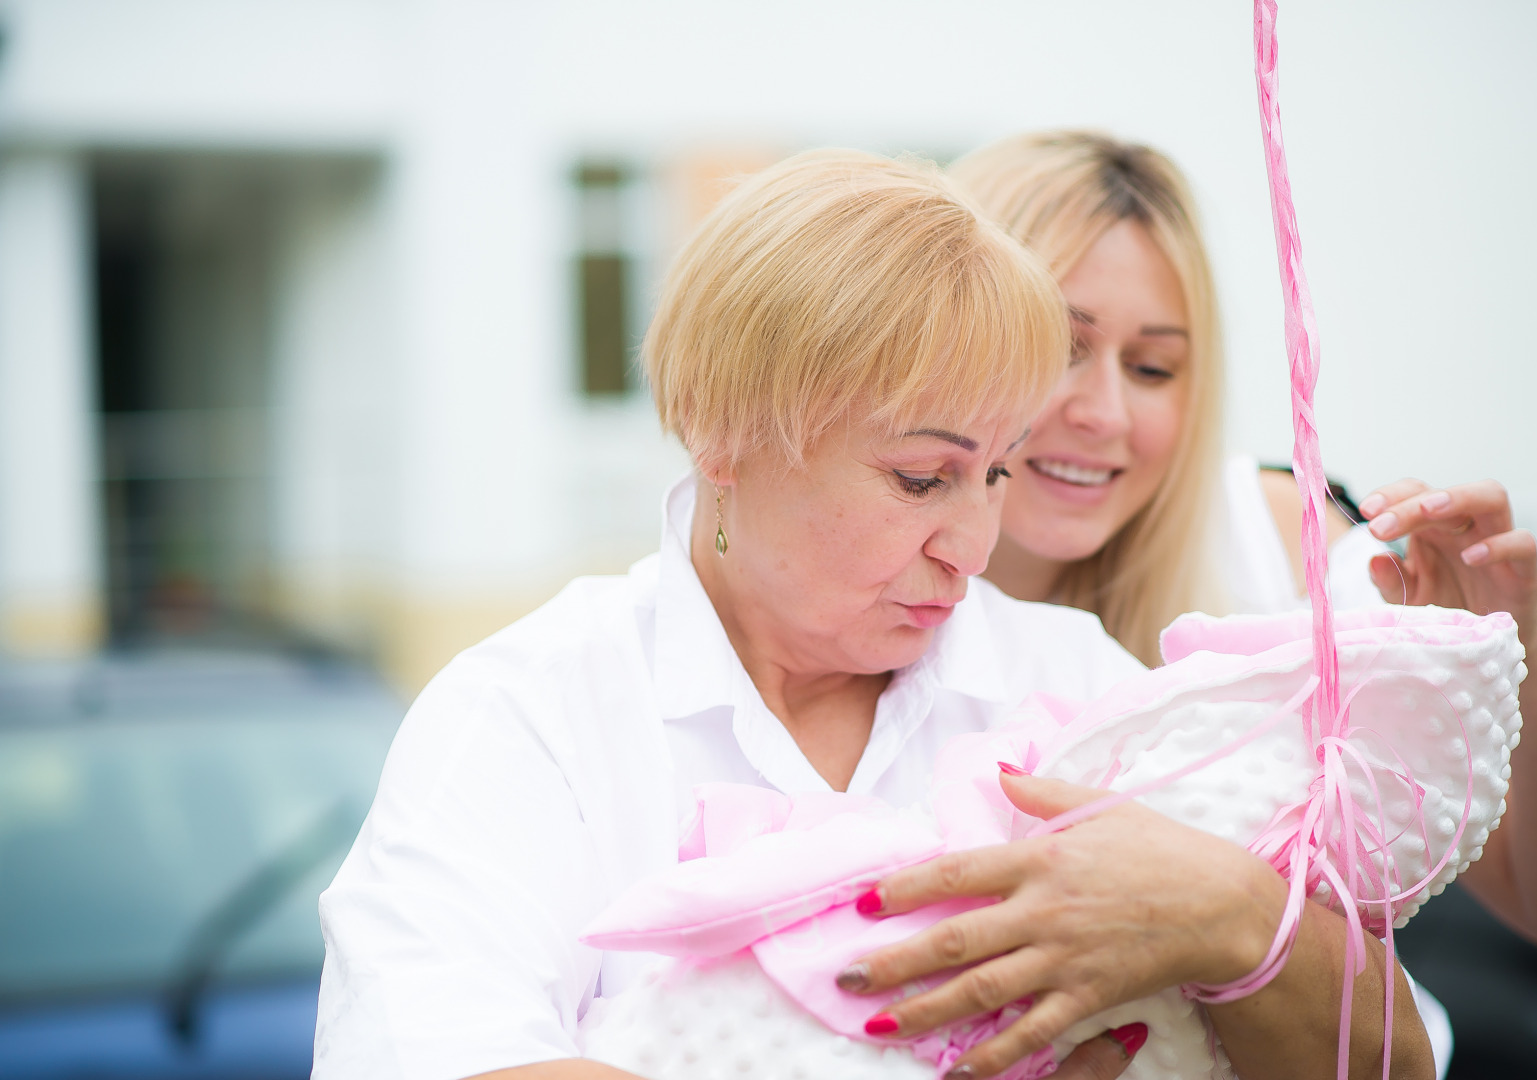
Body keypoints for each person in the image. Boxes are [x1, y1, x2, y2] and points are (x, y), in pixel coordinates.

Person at [314, 149, 1435, 1080]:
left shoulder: (1075, 675)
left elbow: (1394, 1061)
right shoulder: (533, 713)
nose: (975, 543)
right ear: (724, 431)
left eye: (999, 472)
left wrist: (1233, 916)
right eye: (920, 479)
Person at [945, 129, 1537, 960]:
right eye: (1061, 348)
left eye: (1153, 368)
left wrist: (1525, 652)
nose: (1106, 414)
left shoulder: (1277, 535)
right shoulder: (839, 585)